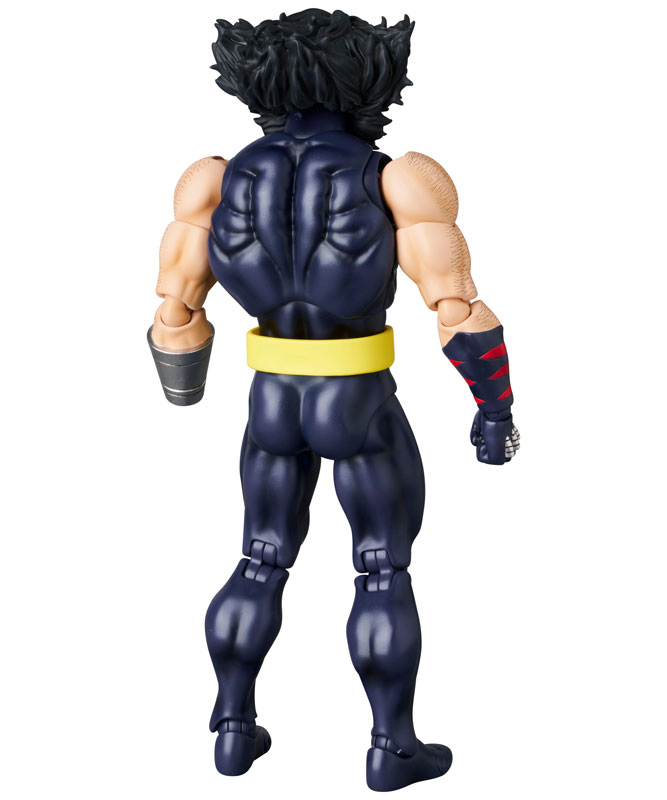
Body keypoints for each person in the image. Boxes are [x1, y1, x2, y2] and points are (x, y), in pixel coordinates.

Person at [148, 9, 520, 791]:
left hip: (270, 398)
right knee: (381, 568)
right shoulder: (396, 177)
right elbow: (456, 309)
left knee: (259, 556)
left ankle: (232, 729)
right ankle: (391, 747)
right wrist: (494, 412)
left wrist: (184, 391)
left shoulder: (215, 179)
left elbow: (175, 314)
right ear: (372, 75)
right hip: (355, 396)